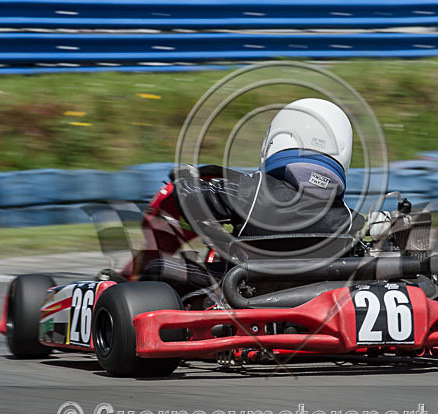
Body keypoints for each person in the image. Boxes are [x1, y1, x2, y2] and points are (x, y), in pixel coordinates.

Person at [123, 98, 360, 283]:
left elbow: (189, 199)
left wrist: (186, 177)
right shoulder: (350, 219)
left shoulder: (251, 190)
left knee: (158, 270)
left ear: (278, 139)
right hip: (316, 307)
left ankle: (119, 288)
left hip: (243, 294)